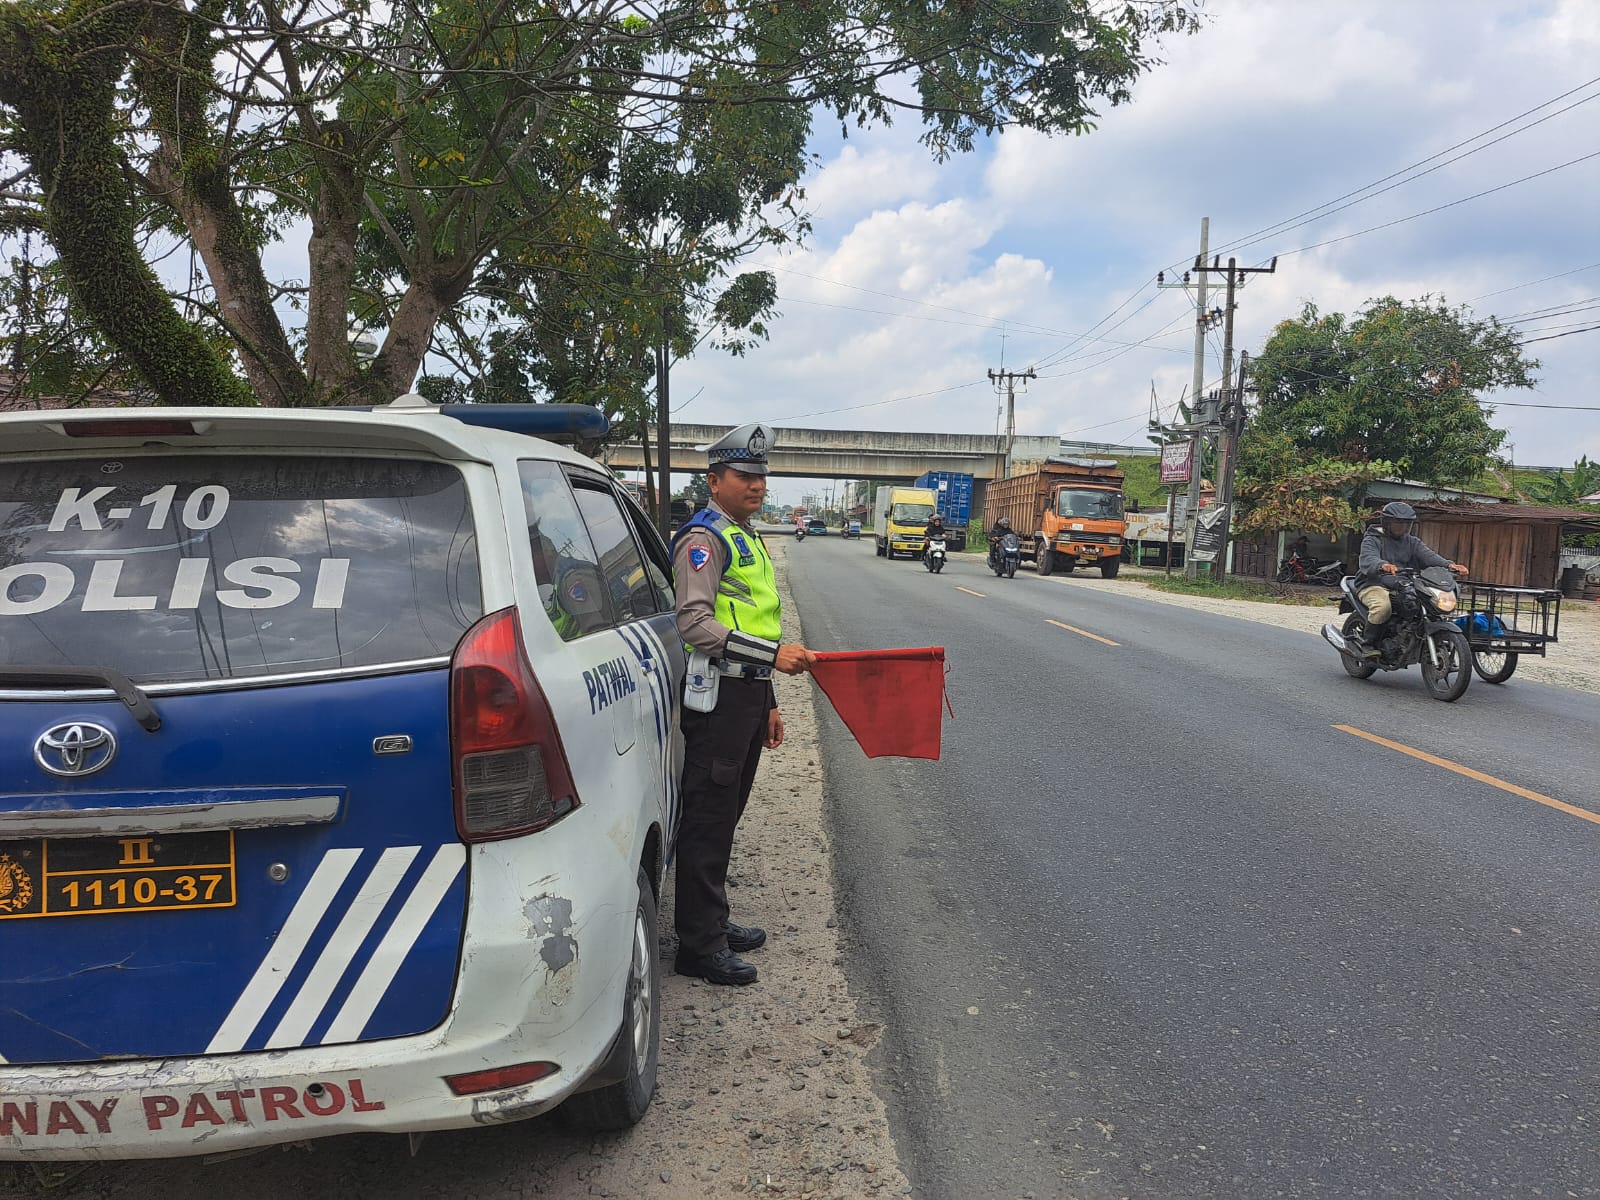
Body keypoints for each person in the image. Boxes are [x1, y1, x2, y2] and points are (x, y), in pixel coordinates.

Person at [670, 423, 816, 986]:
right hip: (718, 698)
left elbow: (756, 618)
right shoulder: (703, 539)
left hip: (748, 693)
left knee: (727, 814)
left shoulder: (746, 535)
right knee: (708, 816)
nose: (756, 484)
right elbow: (694, 624)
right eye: (744, 475)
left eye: (760, 475)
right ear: (715, 479)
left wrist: (771, 698)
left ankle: (712, 918)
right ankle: (698, 947)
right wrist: (772, 656)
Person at [1352, 501, 1468, 655]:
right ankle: (1368, 644)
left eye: (1406, 524)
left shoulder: (1411, 542)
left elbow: (1429, 556)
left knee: (1425, 602)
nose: (1402, 527)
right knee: (1382, 607)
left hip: (1404, 583)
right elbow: (1369, 558)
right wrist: (1382, 565)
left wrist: (1449, 565)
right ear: (1386, 523)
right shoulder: (1373, 539)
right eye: (1397, 523)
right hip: (1374, 583)